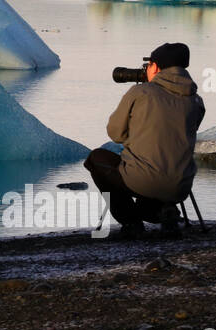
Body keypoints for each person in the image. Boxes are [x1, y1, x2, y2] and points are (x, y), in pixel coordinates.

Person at [85, 42, 205, 238]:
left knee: (96, 158)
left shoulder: (140, 93)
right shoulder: (196, 100)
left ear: (155, 67)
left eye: (148, 66)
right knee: (153, 183)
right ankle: (163, 212)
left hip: (142, 180)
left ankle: (131, 222)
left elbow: (115, 134)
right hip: (181, 186)